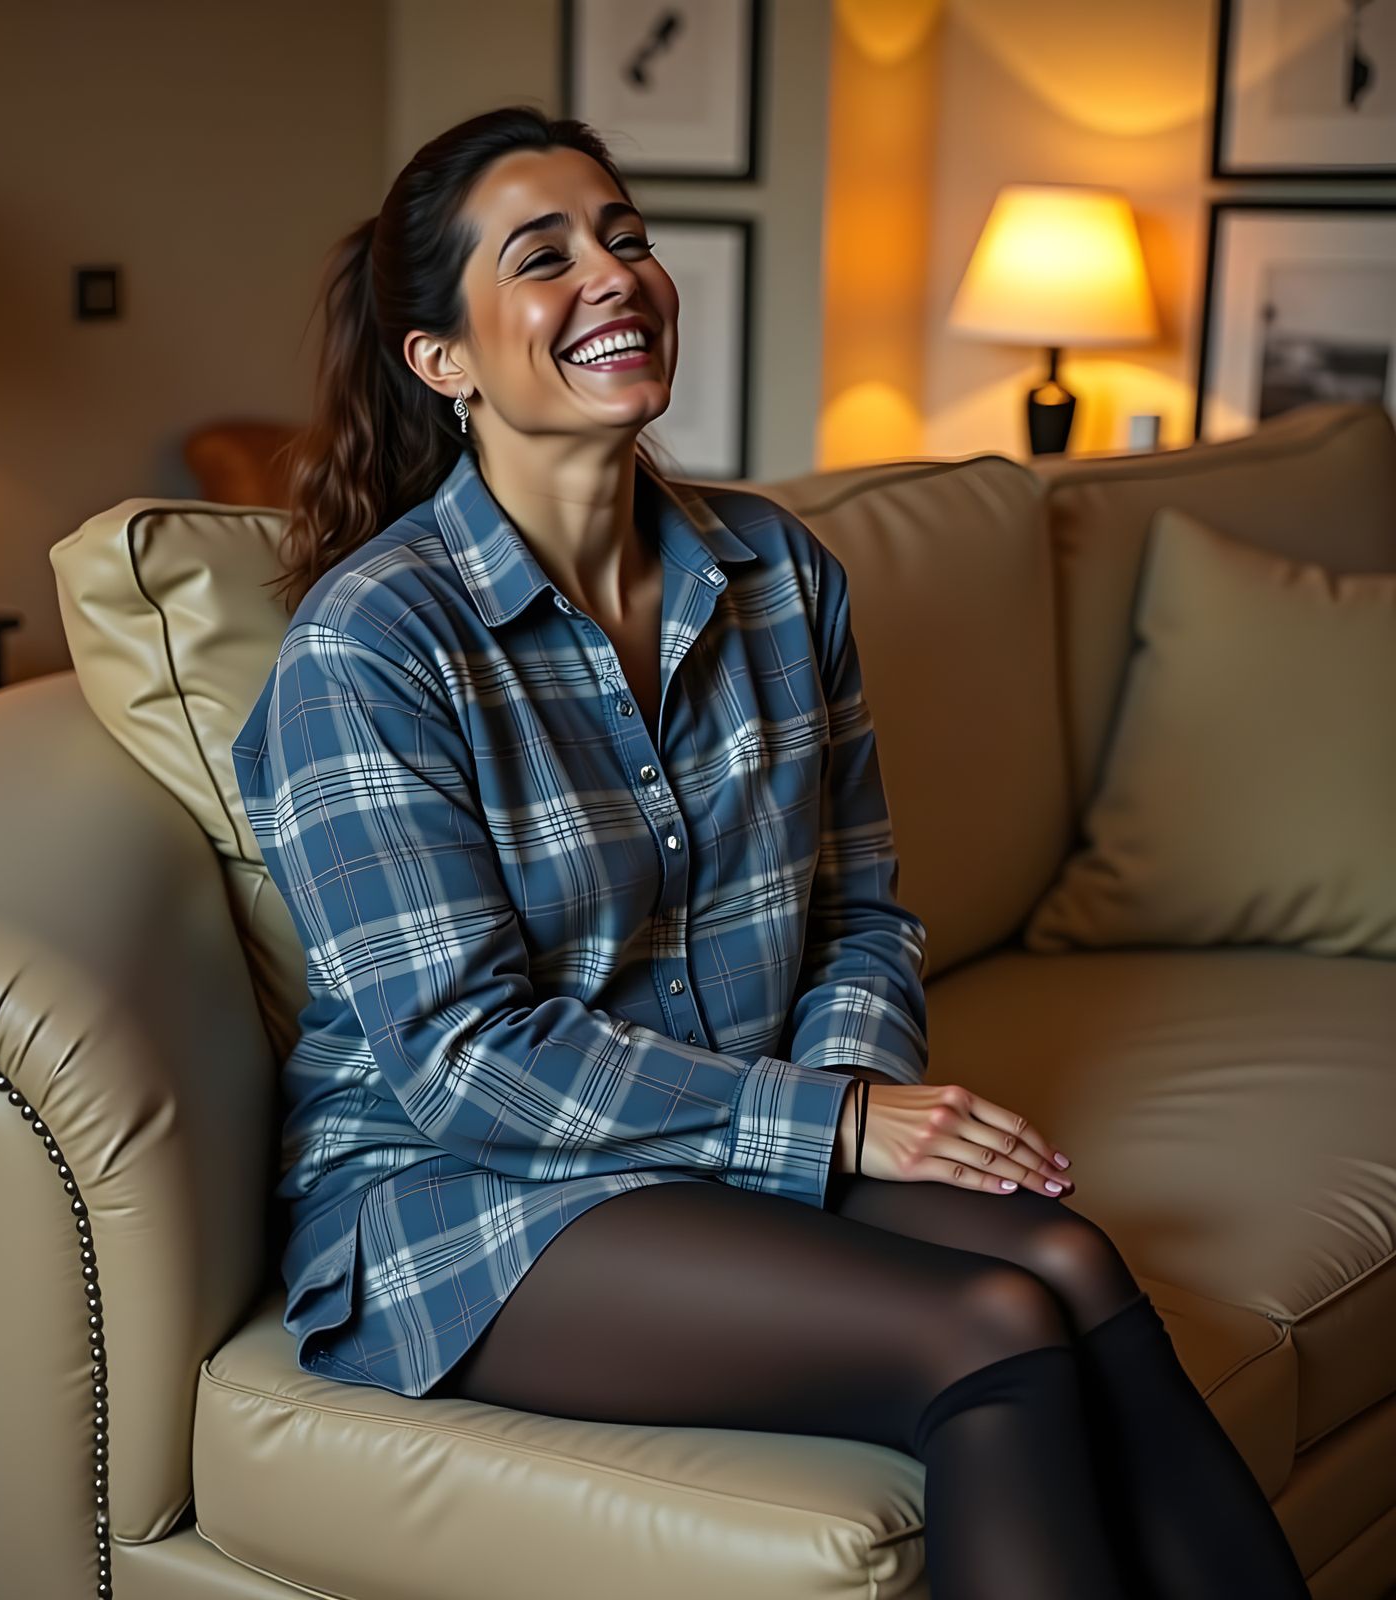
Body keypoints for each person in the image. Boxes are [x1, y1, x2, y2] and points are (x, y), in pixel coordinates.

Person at [230, 104, 1312, 1599]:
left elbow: (861, 911)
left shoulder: (777, 574)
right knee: (985, 1329)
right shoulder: (375, 643)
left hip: (732, 1132)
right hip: (461, 1197)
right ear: (446, 359)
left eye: (627, 239)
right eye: (546, 258)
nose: (613, 274)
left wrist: (843, 1097)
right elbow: (464, 1062)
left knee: (1068, 1266)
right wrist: (834, 1131)